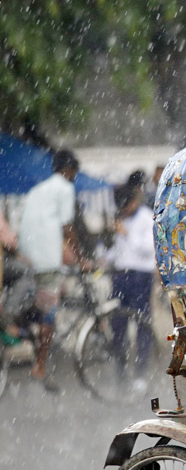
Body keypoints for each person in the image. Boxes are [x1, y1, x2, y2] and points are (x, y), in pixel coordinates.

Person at [15, 149, 83, 390]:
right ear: (69, 170)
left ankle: (20, 325)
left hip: (28, 258)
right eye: (74, 173)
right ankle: (40, 366)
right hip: (47, 260)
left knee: (39, 301)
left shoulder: (37, 190)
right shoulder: (64, 188)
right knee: (50, 313)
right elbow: (67, 226)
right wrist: (81, 257)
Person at [105, 182, 157, 389]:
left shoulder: (146, 218)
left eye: (127, 207)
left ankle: (141, 373)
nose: (124, 211)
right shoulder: (121, 217)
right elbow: (120, 250)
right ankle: (121, 372)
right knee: (118, 324)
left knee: (142, 323)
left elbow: (147, 249)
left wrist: (126, 233)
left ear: (134, 202)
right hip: (120, 275)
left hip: (140, 276)